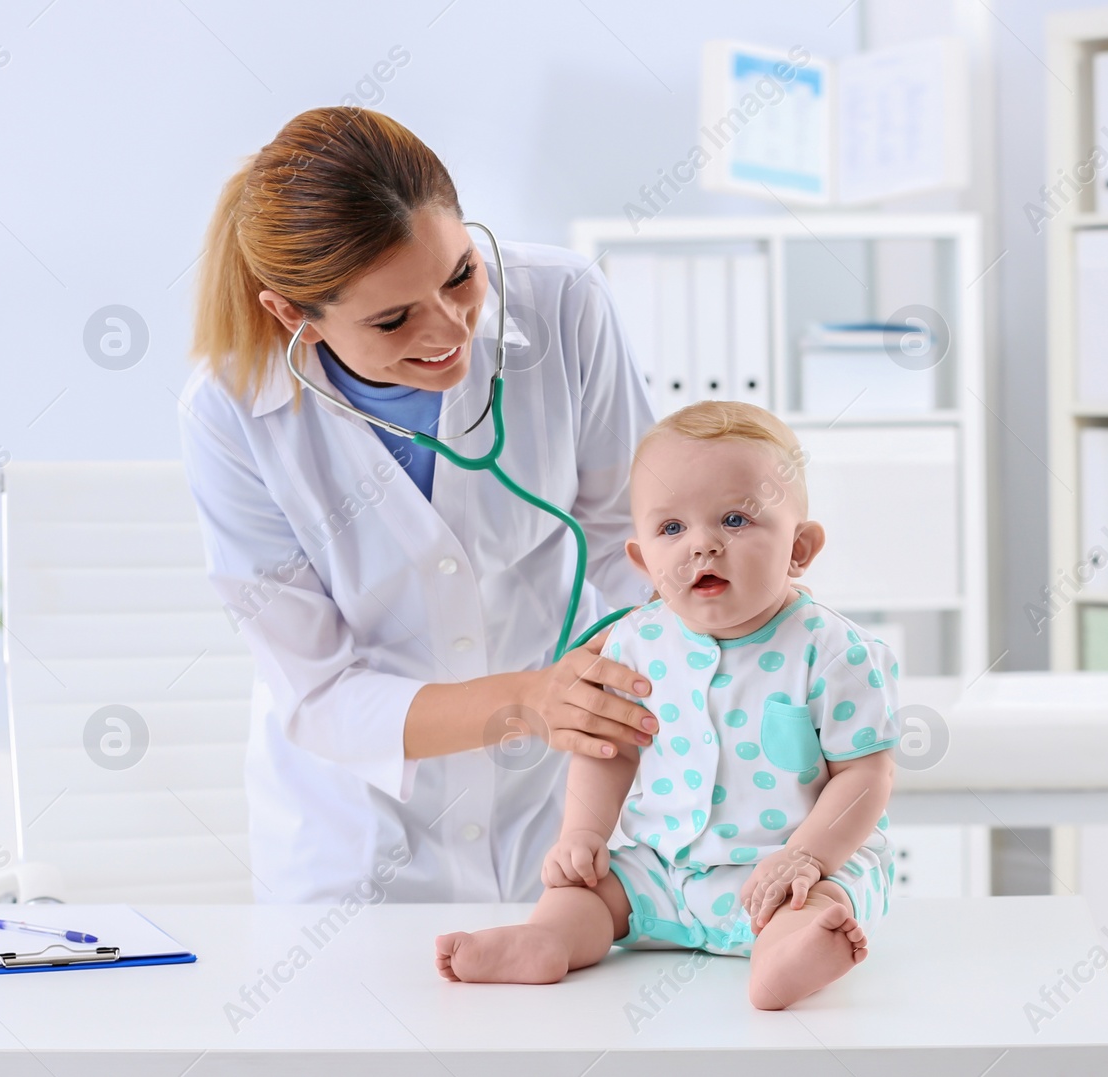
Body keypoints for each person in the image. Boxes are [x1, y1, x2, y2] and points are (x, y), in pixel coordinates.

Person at [178, 106, 662, 903]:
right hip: (358, 845)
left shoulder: (567, 303)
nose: (449, 330)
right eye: (393, 318)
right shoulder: (230, 411)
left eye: (461, 273)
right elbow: (321, 690)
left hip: (558, 815)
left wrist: (718, 639)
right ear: (292, 314)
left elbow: (633, 543)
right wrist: (527, 700)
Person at [433, 401, 899, 1009]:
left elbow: (865, 775)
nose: (702, 545)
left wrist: (806, 856)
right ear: (643, 561)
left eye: (735, 519)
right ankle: (547, 940)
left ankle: (787, 955)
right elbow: (608, 748)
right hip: (658, 871)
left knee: (822, 901)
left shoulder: (833, 650)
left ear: (800, 547)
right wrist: (583, 832)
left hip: (784, 869)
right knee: (589, 888)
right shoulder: (633, 641)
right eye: (672, 529)